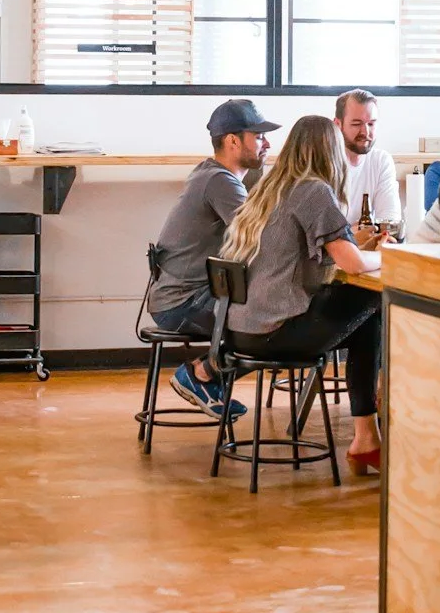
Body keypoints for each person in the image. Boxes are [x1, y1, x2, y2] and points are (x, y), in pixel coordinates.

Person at [220, 113, 384, 472]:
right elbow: (352, 264)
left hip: (238, 332)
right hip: (276, 334)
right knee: (376, 300)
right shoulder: (313, 190)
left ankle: (367, 439)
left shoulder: (268, 188)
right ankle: (368, 437)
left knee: (367, 321)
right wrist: (386, 255)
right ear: (332, 152)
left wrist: (355, 251)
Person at [148, 99, 277, 415]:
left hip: (179, 297)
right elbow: (263, 240)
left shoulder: (213, 174)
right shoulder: (220, 181)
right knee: (278, 320)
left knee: (272, 309)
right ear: (233, 141)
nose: (267, 143)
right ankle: (200, 374)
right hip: (182, 304)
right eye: (258, 136)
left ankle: (207, 377)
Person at [335, 88, 401, 243]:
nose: (365, 132)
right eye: (356, 124)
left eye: (371, 124)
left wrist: (350, 234)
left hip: (371, 254)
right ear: (338, 124)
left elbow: (389, 226)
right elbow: (324, 237)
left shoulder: (381, 161)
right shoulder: (323, 162)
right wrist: (353, 234)